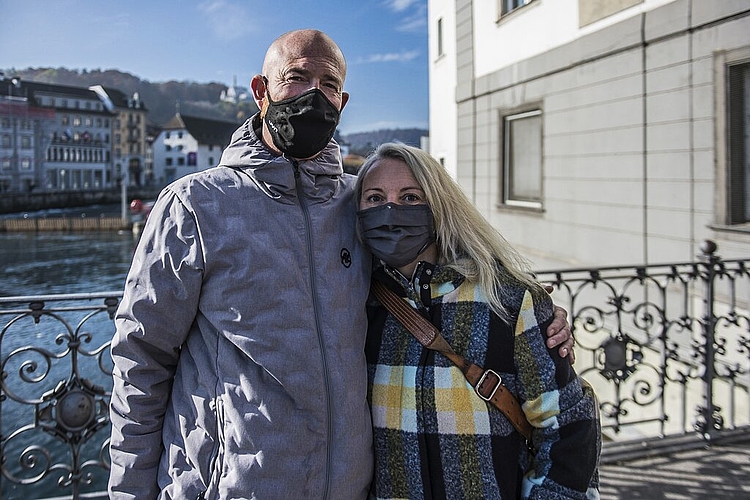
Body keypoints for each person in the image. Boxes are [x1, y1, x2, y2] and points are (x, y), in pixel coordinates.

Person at [108, 29, 575, 499]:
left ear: (343, 100)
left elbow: (446, 262)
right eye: (296, 77)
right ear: (260, 91)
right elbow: (140, 360)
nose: (315, 94)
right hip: (235, 487)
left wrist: (539, 312)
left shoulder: (360, 203)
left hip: (352, 487)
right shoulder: (195, 205)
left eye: (329, 84)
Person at [356, 143, 600, 499]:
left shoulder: (508, 302)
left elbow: (567, 425)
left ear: (439, 206)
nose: (391, 211)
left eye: (410, 197)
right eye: (375, 199)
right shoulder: (355, 308)